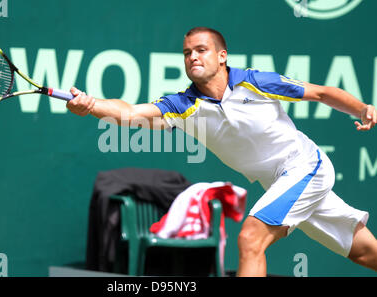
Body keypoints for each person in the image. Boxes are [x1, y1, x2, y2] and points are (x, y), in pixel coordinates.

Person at [66, 27, 377, 276]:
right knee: (364, 251)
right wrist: (92, 105)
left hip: (304, 166)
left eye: (201, 50)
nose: (192, 57)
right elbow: (131, 112)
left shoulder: (255, 82)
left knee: (250, 239)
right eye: (187, 53)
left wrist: (363, 109)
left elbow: (321, 93)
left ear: (222, 56)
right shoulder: (183, 106)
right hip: (281, 182)